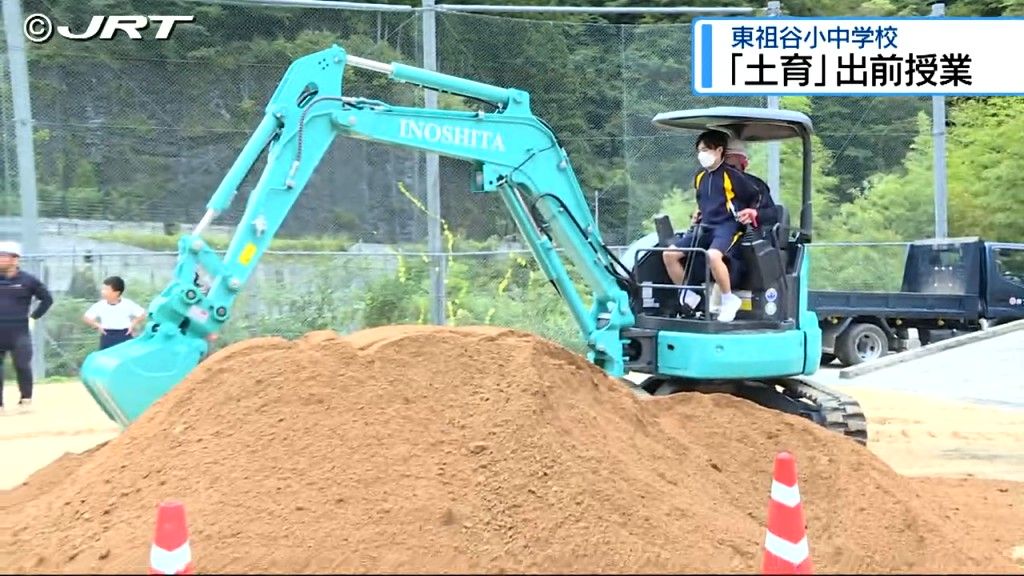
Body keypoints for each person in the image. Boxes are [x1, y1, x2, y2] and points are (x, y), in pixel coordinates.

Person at [662, 130, 759, 323]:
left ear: (719, 151)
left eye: (706, 149)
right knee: (669, 254)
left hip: (727, 226)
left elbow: (755, 196)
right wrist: (698, 212)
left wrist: (752, 211)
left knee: (713, 256)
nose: (701, 154)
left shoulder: (732, 176)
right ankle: (689, 295)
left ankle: (728, 299)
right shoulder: (700, 177)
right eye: (699, 150)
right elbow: (704, 199)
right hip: (706, 226)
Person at [0, 241, 53, 414]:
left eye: (4, 256)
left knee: (22, 365)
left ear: (15, 259)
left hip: (19, 332)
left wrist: (34, 317)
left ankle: (25, 401)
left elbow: (47, 299)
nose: (0, 259)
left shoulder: (28, 280)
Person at [82, 276, 147, 350]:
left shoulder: (127, 304)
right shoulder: (100, 305)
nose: (103, 291)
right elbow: (86, 317)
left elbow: (142, 314)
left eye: (106, 289)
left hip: (124, 335)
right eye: (103, 289)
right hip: (107, 335)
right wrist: (97, 325)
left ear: (117, 292)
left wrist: (133, 324)